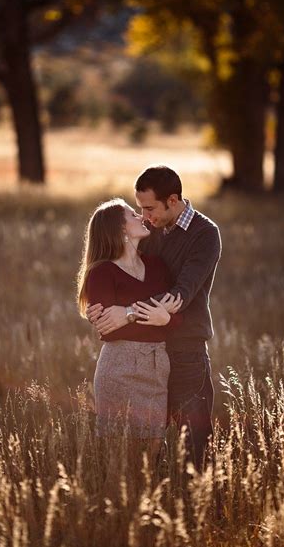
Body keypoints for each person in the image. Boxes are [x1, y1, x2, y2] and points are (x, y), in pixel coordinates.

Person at [88, 166, 222, 471]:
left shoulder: (205, 234)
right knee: (146, 448)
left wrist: (128, 314)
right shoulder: (151, 229)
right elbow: (122, 269)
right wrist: (98, 308)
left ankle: (201, 506)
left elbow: (179, 295)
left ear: (172, 200)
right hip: (148, 356)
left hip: (186, 349)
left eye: (149, 208)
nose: (145, 216)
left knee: (195, 441)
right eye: (139, 209)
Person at [77, 198, 183, 461]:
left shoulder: (157, 266)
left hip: (157, 367)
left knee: (151, 460)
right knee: (122, 466)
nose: (142, 217)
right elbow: (109, 331)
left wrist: (138, 316)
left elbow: (178, 314)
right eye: (133, 215)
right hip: (119, 369)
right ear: (121, 230)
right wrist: (154, 315)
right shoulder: (101, 273)